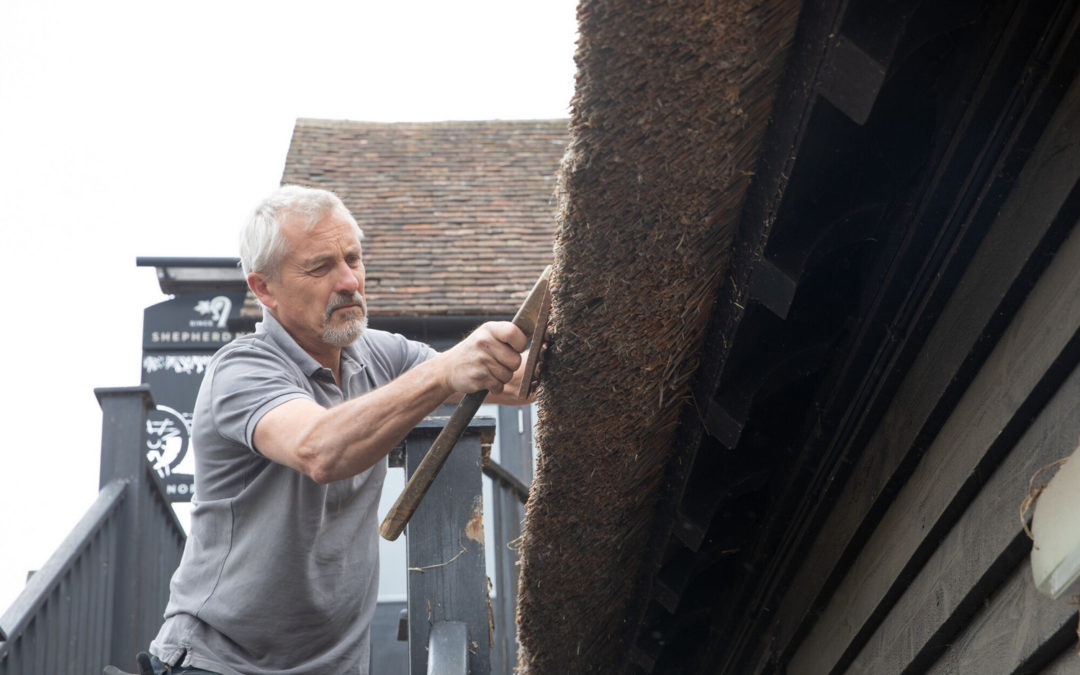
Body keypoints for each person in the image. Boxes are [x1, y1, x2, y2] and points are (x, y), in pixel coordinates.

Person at [140, 185, 532, 674]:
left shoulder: (381, 355)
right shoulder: (241, 369)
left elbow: (515, 383)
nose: (349, 280)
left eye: (353, 258)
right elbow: (319, 449)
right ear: (264, 289)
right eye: (321, 267)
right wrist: (443, 371)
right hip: (220, 663)